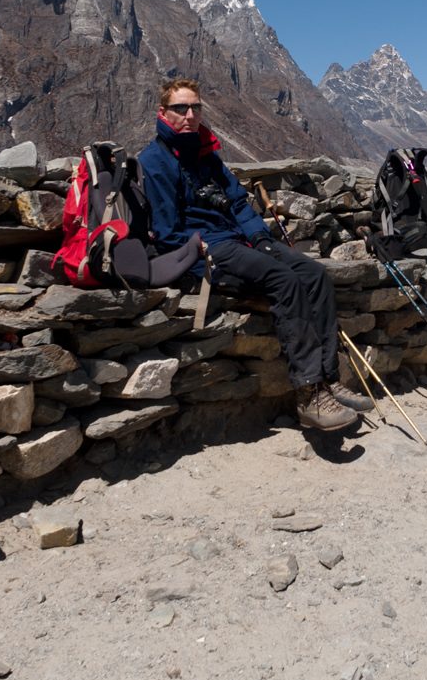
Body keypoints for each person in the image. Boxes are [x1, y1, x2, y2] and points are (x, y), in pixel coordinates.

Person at [138, 79, 372, 432]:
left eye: (196, 108)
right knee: (285, 280)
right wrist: (201, 247)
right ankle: (309, 395)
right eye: (180, 109)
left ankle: (328, 378)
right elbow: (167, 231)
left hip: (238, 240)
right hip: (207, 248)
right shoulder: (155, 161)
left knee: (314, 275)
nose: (190, 115)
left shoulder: (206, 154)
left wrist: (261, 238)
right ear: (163, 113)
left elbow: (237, 203)